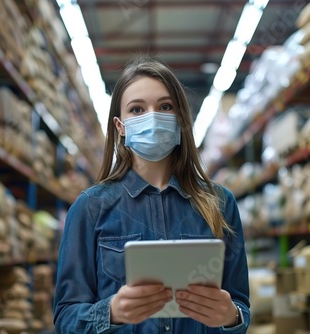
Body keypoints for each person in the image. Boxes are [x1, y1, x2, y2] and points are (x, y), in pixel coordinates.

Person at [53, 57, 250, 333]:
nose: (152, 117)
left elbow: (241, 306)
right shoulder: (90, 208)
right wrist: (111, 312)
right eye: (137, 109)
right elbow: (65, 319)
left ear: (180, 119)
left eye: (165, 106)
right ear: (120, 127)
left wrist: (231, 316)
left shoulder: (220, 204)